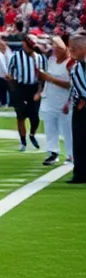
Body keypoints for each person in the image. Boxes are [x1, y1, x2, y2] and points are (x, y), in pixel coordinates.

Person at [39, 36, 74, 166]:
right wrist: (41, 91)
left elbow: (70, 84)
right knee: (50, 127)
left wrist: (50, 79)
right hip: (49, 99)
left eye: (57, 47)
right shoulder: (51, 61)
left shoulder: (70, 63)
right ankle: (52, 153)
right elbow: (45, 79)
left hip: (64, 101)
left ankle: (71, 154)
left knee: (67, 130)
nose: (54, 50)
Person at [8, 35, 47, 152]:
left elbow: (43, 77)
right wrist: (14, 91)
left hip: (34, 88)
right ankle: (23, 141)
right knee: (20, 117)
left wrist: (39, 92)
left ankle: (32, 134)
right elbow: (10, 74)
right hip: (20, 88)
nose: (27, 48)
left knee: (35, 117)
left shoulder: (40, 58)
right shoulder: (16, 56)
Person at [68, 33, 86, 185]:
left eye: (73, 48)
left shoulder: (79, 66)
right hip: (79, 107)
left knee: (81, 139)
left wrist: (84, 99)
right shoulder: (77, 66)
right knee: (79, 140)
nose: (71, 51)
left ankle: (81, 173)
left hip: (83, 106)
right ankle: (80, 172)